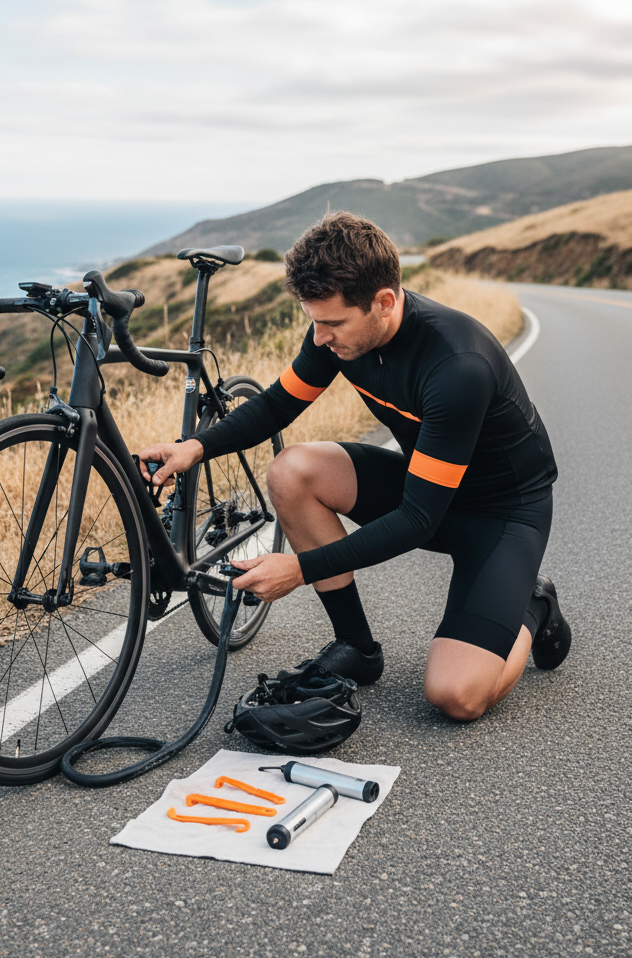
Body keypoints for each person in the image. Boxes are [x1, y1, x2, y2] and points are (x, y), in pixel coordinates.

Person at [137, 212, 570, 721]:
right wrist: (194, 447)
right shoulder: (338, 334)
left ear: (384, 302)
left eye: (333, 323)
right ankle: (357, 647)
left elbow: (416, 522)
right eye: (313, 320)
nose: (320, 338)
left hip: (502, 516)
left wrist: (298, 570)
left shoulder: (457, 365)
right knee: (291, 471)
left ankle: (533, 602)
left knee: (456, 696)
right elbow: (278, 406)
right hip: (427, 488)